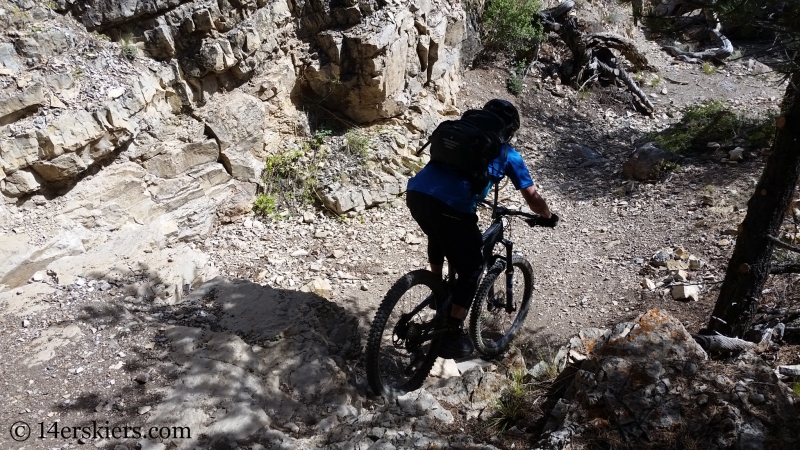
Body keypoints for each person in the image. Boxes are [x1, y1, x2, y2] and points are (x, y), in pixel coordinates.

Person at [405, 99, 558, 359]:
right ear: (509, 130)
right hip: (452, 206)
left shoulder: (459, 133)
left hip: (417, 193)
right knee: (473, 267)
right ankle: (453, 333)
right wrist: (549, 215)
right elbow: (532, 198)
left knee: (438, 233)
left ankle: (437, 289)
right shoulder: (507, 152)